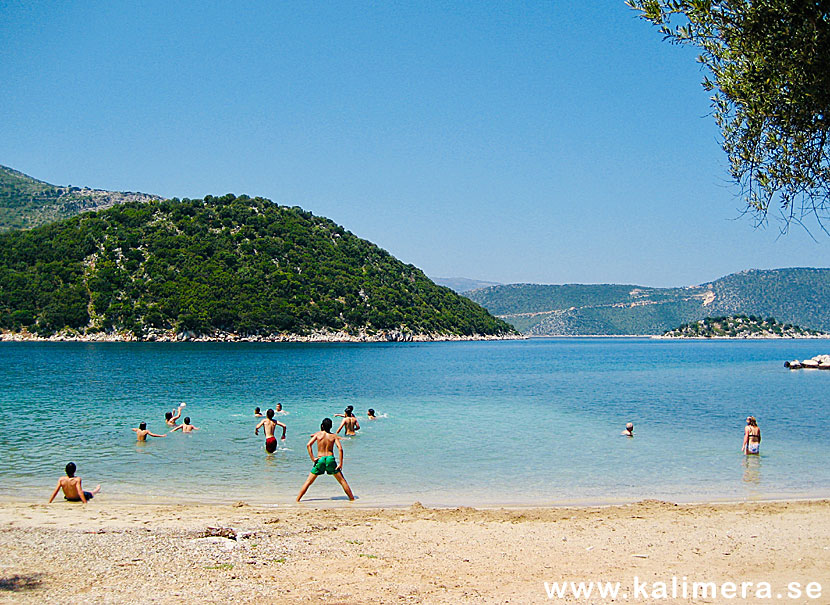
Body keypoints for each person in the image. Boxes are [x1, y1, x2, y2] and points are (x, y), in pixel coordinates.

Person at [296, 418, 355, 502]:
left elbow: (308, 445)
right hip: (330, 459)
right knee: (342, 481)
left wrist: (312, 458)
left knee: (308, 481)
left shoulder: (318, 435)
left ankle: (298, 500)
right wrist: (341, 463)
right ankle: (352, 499)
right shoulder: (333, 436)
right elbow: (340, 449)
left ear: (322, 426)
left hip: (320, 459)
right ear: (331, 426)